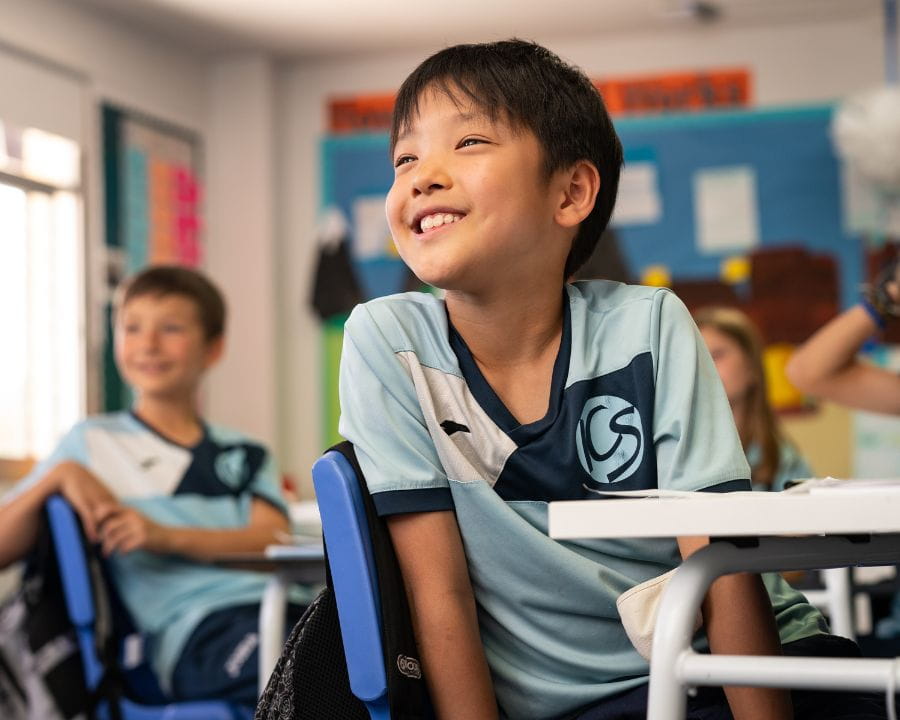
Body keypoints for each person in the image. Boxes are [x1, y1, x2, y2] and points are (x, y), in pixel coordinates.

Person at [338, 39, 882, 720]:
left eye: (469, 141)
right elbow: (436, 594)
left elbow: (719, 563)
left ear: (570, 193)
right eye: (405, 157)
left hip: (730, 667)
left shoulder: (648, 326)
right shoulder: (387, 342)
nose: (421, 176)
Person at [0, 265, 311, 707]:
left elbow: (270, 542)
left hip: (285, 610)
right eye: (132, 327)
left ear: (213, 348)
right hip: (187, 637)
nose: (148, 344)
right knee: (319, 673)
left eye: (171, 328)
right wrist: (59, 475)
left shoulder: (245, 452)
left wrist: (162, 535)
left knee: (381, 650)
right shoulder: (90, 443)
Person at [695, 306, 812, 491]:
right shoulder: (673, 455)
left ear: (751, 366)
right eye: (697, 358)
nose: (704, 367)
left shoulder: (786, 462)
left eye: (716, 355)